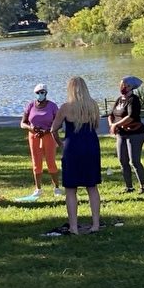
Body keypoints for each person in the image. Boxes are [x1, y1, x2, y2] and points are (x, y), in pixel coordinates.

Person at [51, 77, 102, 234]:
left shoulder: (66, 107)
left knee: (71, 188)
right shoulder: (93, 106)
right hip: (91, 145)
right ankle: (95, 224)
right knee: (92, 186)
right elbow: (96, 125)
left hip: (72, 146)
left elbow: (53, 129)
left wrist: (60, 143)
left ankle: (73, 226)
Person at [108, 76, 144, 194]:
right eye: (122, 85)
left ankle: (143, 186)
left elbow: (131, 117)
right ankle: (129, 187)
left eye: (126, 86)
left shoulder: (133, 100)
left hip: (135, 133)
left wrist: (117, 125)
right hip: (121, 134)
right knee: (123, 161)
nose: (123, 88)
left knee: (135, 161)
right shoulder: (119, 100)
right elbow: (111, 114)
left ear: (132, 87)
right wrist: (112, 124)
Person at [20, 83, 62, 199]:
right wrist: (31, 128)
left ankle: (57, 188)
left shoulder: (52, 106)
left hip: (48, 136)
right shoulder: (30, 106)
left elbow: (58, 123)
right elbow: (23, 123)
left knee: (51, 161)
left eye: (42, 92)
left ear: (46, 93)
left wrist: (47, 131)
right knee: (36, 163)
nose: (40, 95)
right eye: (38, 93)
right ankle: (38, 189)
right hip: (34, 137)